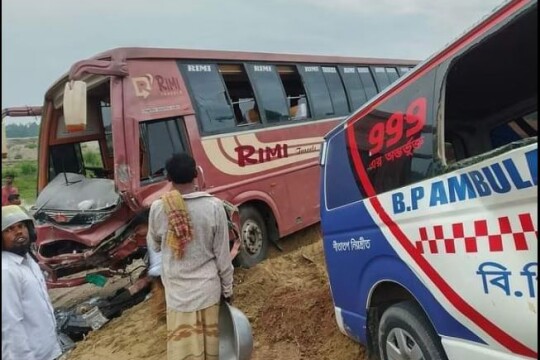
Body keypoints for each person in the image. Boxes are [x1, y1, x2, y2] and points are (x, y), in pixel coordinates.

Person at [147, 153, 233, 360]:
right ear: (196, 174)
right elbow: (223, 256)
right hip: (208, 292)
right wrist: (228, 290)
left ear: (168, 178)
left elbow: (155, 246)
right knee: (212, 350)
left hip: (178, 296)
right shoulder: (213, 206)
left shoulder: (159, 208)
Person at [2, 205, 62, 360]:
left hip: (51, 350)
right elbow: (10, 326)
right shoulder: (6, 272)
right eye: (9, 229)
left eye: (21, 226)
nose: (18, 232)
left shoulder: (29, 261)